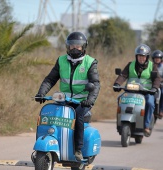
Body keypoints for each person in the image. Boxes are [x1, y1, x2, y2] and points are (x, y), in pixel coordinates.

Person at [35, 31, 100, 161]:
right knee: (50, 115)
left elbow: (95, 84)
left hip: (82, 101)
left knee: (78, 115)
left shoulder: (90, 62)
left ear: (83, 47)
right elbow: (50, 79)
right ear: (67, 46)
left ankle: (78, 149)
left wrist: (89, 100)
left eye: (78, 45)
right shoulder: (61, 61)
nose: (75, 48)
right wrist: (41, 93)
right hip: (63, 100)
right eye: (72, 45)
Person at [113, 44, 160, 136]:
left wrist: (154, 88)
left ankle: (146, 126)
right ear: (136, 56)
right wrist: (117, 84)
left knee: (150, 103)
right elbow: (123, 75)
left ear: (147, 57)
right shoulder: (130, 65)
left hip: (146, 92)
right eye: (139, 56)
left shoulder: (152, 66)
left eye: (143, 56)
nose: (141, 58)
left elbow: (157, 79)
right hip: (130, 91)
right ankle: (119, 124)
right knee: (120, 99)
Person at [152, 50, 163, 117]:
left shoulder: (162, 67)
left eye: (158, 58)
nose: (157, 60)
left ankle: (161, 110)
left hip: (161, 85)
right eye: (155, 58)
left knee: (162, 93)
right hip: (152, 84)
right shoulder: (150, 65)